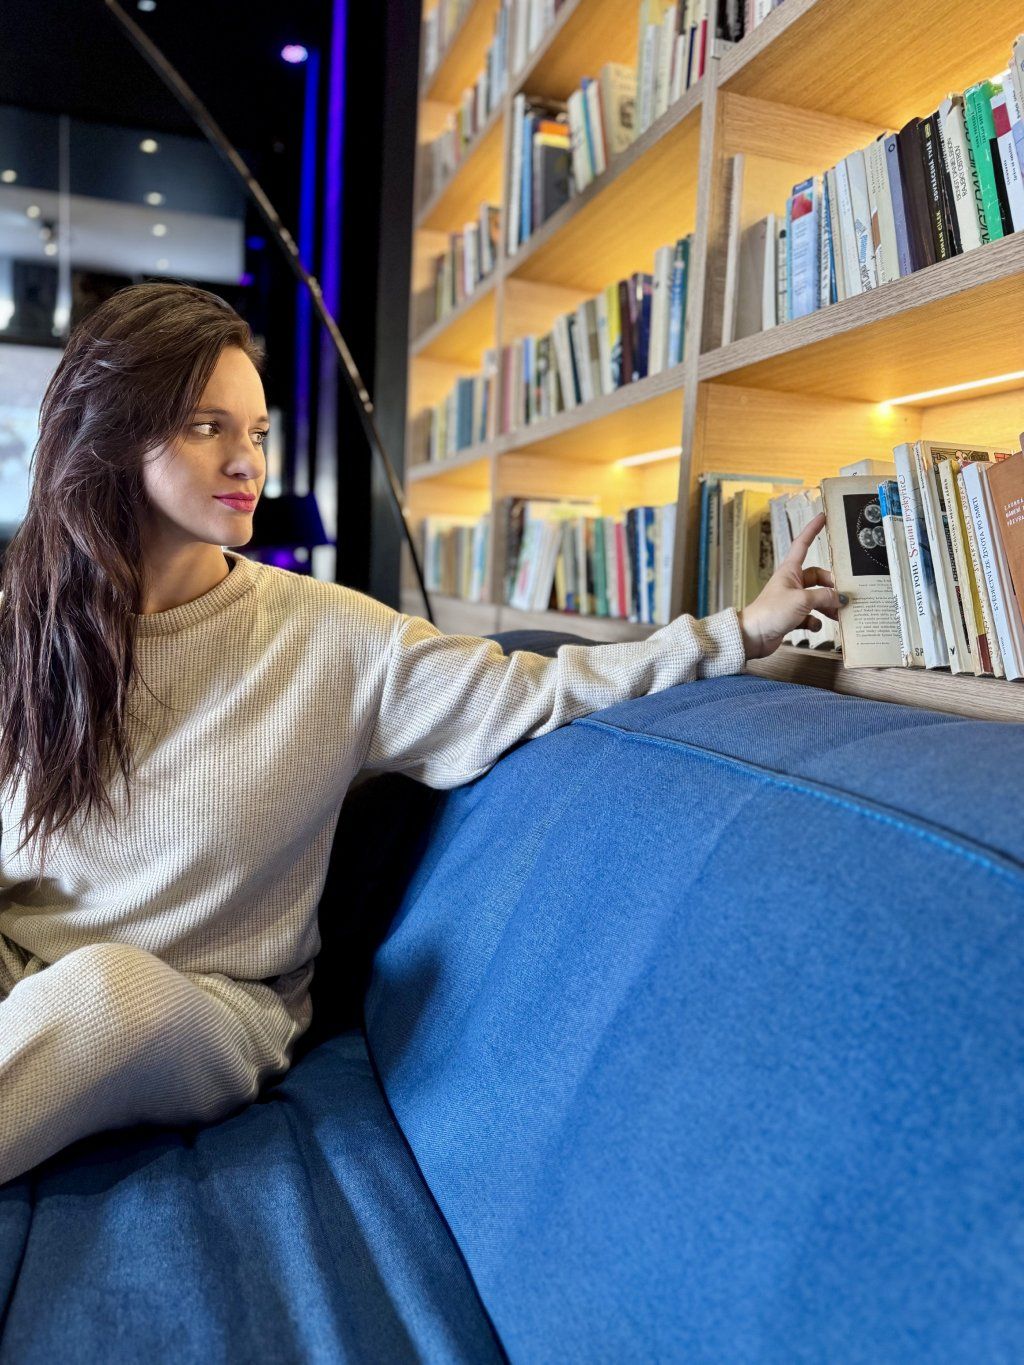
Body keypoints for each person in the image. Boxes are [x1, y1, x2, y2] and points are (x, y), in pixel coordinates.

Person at [0, 282, 839, 1186]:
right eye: (209, 427)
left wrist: (738, 632)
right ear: (114, 435)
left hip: (194, 1006)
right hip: (19, 967)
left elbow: (538, 688)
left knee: (105, 996)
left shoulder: (334, 637)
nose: (248, 461)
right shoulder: (26, 625)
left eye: (258, 432)